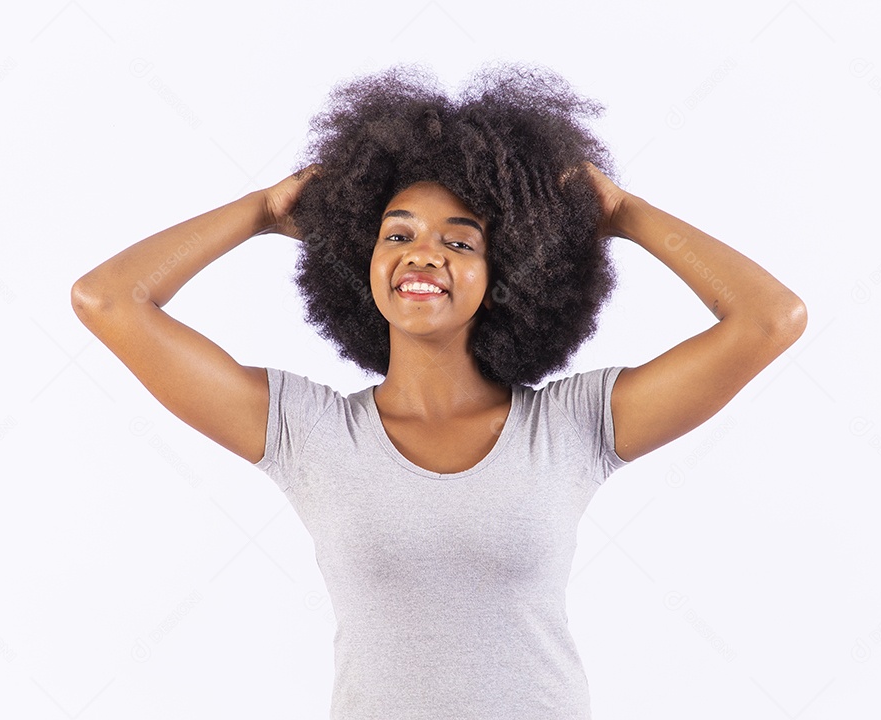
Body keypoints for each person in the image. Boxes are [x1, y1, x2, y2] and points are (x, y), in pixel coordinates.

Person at [71, 63, 806, 719]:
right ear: (362, 260)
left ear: (506, 274)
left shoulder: (572, 425)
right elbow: (109, 301)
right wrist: (263, 210)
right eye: (397, 234)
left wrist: (618, 215)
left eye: (460, 241)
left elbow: (769, 320)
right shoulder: (307, 430)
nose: (423, 252)